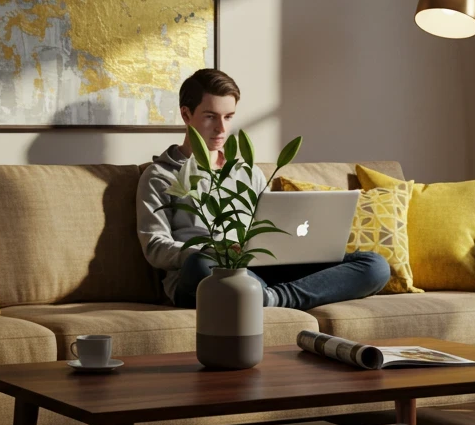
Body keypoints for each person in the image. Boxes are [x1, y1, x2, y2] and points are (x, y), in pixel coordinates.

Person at [136, 68, 390, 311]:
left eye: (228, 117)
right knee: (201, 265)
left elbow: (269, 228)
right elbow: (154, 247)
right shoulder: (160, 175)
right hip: (201, 273)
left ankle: (271, 298)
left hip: (258, 267)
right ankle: (261, 294)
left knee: (374, 265)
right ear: (186, 114)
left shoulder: (247, 172)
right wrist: (209, 249)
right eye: (210, 116)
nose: (222, 129)